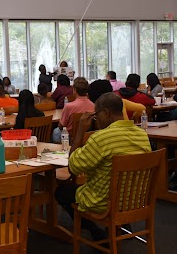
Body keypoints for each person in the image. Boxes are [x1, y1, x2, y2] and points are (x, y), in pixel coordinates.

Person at [55, 93, 151, 242]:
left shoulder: (101, 138)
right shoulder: (142, 135)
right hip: (135, 201)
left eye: (96, 115)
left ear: (106, 113)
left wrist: (80, 131)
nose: (96, 120)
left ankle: (94, 230)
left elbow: (73, 168)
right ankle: (119, 226)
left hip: (104, 203)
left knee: (62, 191)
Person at [52, 77, 95, 142]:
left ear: (74, 90)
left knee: (56, 131)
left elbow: (62, 125)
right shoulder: (93, 105)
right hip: (87, 136)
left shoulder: (69, 106)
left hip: (70, 137)